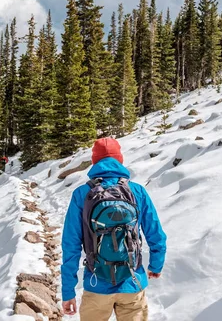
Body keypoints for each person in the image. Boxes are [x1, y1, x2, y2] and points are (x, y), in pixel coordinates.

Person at [61, 137, 167, 321]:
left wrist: (68, 291)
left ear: (94, 161)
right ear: (120, 160)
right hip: (132, 282)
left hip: (96, 285)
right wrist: (155, 265)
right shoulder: (137, 191)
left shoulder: (82, 194)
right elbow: (156, 234)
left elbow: (71, 245)